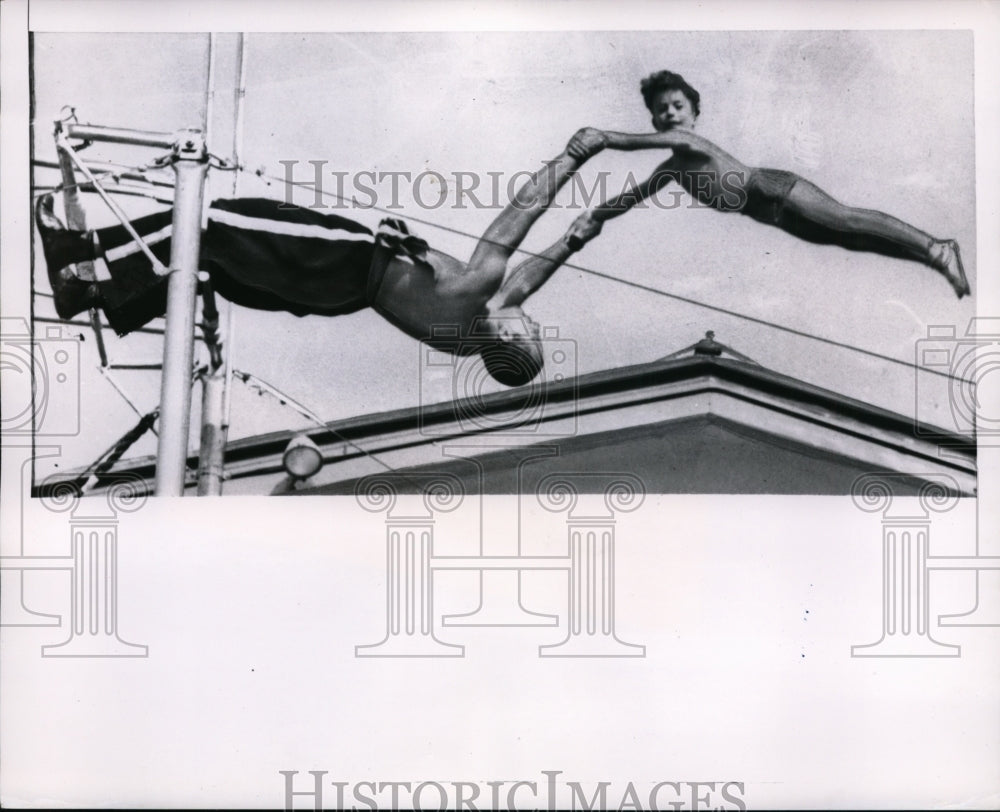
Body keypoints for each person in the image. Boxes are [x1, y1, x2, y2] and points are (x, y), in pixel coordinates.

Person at [36, 127, 608, 387]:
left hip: (345, 260)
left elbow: (520, 213)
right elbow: (523, 287)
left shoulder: (477, 285)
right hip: (335, 294)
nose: (530, 315)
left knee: (213, 223)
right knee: (211, 262)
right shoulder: (465, 333)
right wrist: (573, 241)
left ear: (509, 339)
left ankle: (81, 261)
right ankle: (91, 282)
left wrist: (570, 158)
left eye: (529, 330)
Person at [564, 70, 970, 298]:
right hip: (769, 214)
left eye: (677, 106)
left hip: (771, 188)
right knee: (849, 240)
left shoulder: (688, 140)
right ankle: (930, 259)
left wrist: (604, 136)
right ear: (654, 118)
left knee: (846, 220)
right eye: (661, 110)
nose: (669, 114)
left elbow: (635, 144)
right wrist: (595, 217)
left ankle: (935, 246)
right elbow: (632, 196)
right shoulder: (673, 168)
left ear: (693, 113)